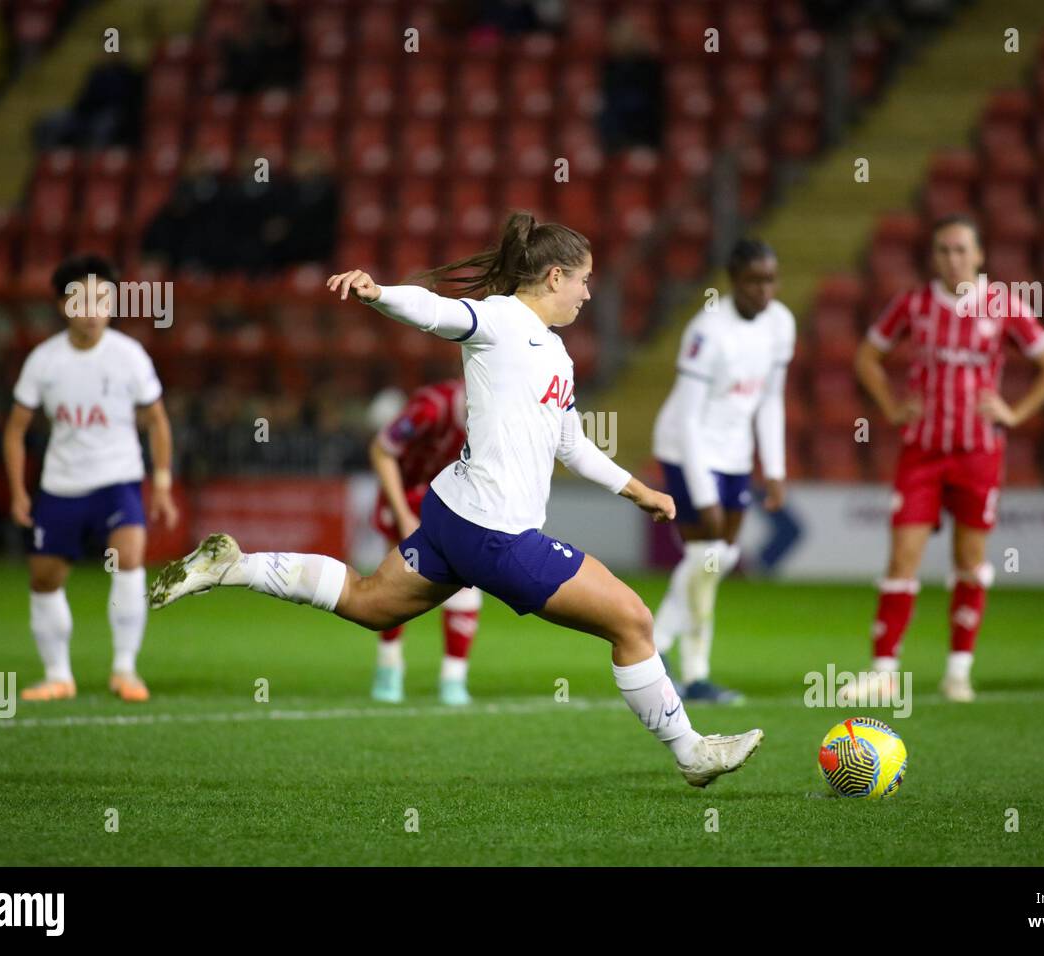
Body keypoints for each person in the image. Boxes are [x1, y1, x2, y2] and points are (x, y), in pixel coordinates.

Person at [150, 212, 763, 787]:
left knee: (369, 603)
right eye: (583, 280)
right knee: (632, 621)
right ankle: (692, 752)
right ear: (555, 276)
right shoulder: (500, 319)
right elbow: (437, 312)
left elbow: (571, 444)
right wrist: (376, 292)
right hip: (497, 533)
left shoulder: (555, 352)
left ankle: (234, 566)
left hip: (454, 518)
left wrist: (639, 491)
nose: (587, 293)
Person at [853, 214, 1044, 701]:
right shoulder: (913, 304)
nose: (952, 259)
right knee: (903, 555)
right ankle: (885, 672)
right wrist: (890, 406)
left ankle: (958, 671)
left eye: (960, 250)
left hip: (978, 452)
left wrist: (1015, 413)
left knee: (970, 559)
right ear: (933, 257)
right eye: (943, 250)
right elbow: (866, 356)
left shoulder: (1004, 306)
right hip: (922, 451)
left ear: (979, 255)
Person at [3, 255, 179, 702]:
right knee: (44, 579)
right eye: (86, 299)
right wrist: (20, 492)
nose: (97, 307)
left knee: (129, 561)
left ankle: (125, 669)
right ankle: (58, 675)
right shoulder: (44, 362)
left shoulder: (129, 355)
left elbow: (157, 420)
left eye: (105, 297)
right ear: (64, 306)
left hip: (118, 480)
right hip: (61, 486)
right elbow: (16, 429)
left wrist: (160, 482)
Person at [650, 238, 795, 704]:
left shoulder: (781, 325)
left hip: (734, 453)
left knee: (718, 560)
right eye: (754, 281)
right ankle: (687, 669)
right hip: (684, 448)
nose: (763, 290)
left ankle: (663, 652)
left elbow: (770, 399)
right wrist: (704, 494)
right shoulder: (707, 332)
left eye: (770, 280)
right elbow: (688, 418)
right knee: (705, 557)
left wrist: (773, 467)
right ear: (733, 281)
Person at [368, 378, 481, 706]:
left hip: (452, 499)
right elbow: (381, 450)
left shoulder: (500, 417)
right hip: (404, 494)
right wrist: (402, 513)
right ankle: (389, 668)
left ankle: (453, 680)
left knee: (465, 582)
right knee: (396, 581)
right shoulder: (430, 409)